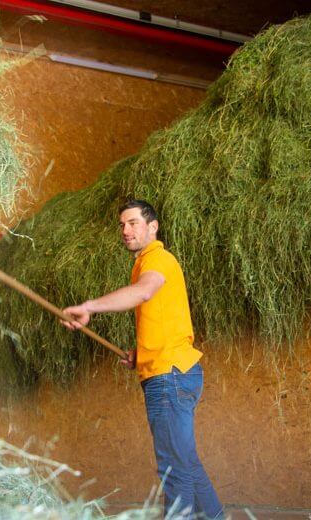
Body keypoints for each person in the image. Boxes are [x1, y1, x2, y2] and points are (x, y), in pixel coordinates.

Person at [60, 199, 223, 519]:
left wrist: (89, 307)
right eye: (122, 224)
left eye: (133, 223)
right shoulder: (145, 263)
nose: (125, 230)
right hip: (174, 369)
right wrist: (142, 353)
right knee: (187, 465)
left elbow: (144, 292)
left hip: (170, 376)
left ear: (153, 227)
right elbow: (161, 316)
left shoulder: (157, 259)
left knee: (175, 470)